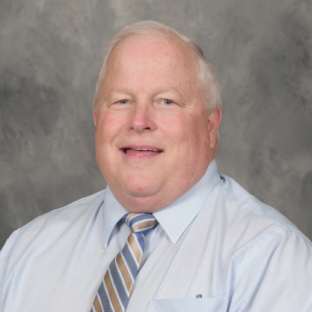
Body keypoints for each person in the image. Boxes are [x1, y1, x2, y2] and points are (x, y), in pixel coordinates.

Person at [0, 21, 311, 312]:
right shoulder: (25, 252)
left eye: (166, 102)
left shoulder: (273, 258)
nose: (139, 121)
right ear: (97, 119)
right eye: (121, 101)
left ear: (210, 125)